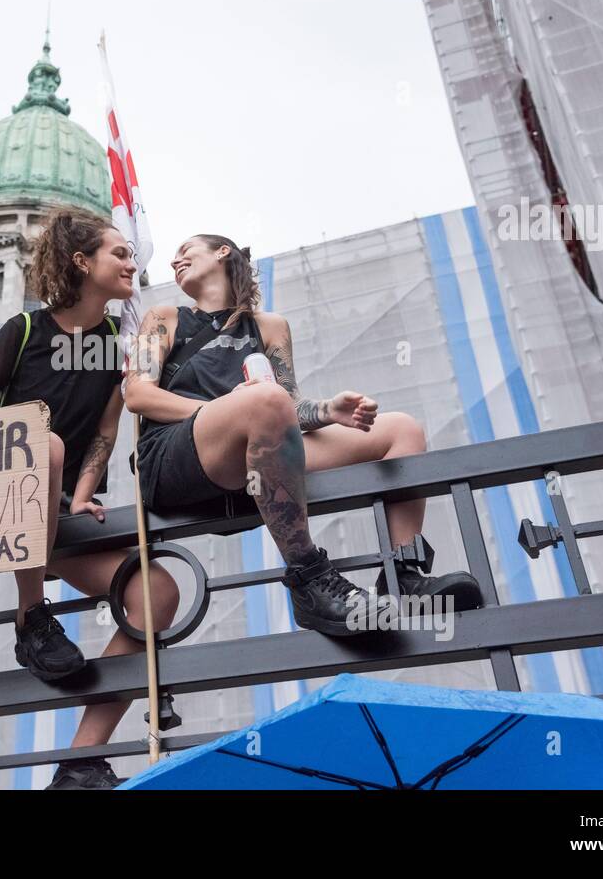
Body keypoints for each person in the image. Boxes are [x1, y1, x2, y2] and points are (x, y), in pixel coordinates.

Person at [126, 234, 483, 637]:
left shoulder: (272, 327)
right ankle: (310, 577)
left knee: (401, 429)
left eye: (186, 249)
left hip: (256, 458)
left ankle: (404, 574)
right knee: (264, 401)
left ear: (222, 252)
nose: (176, 259)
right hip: (176, 459)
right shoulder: (164, 317)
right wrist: (225, 411)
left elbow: (288, 406)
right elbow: (137, 393)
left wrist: (329, 411)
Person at [0, 207, 180, 789]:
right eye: (120, 254)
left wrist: (80, 496)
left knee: (157, 593)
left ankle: (80, 762)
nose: (133, 262)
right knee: (42, 440)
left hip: (56, 518)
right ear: (82, 262)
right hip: (0, 501)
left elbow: (104, 430)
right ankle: (32, 617)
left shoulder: (110, 345)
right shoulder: (24, 330)